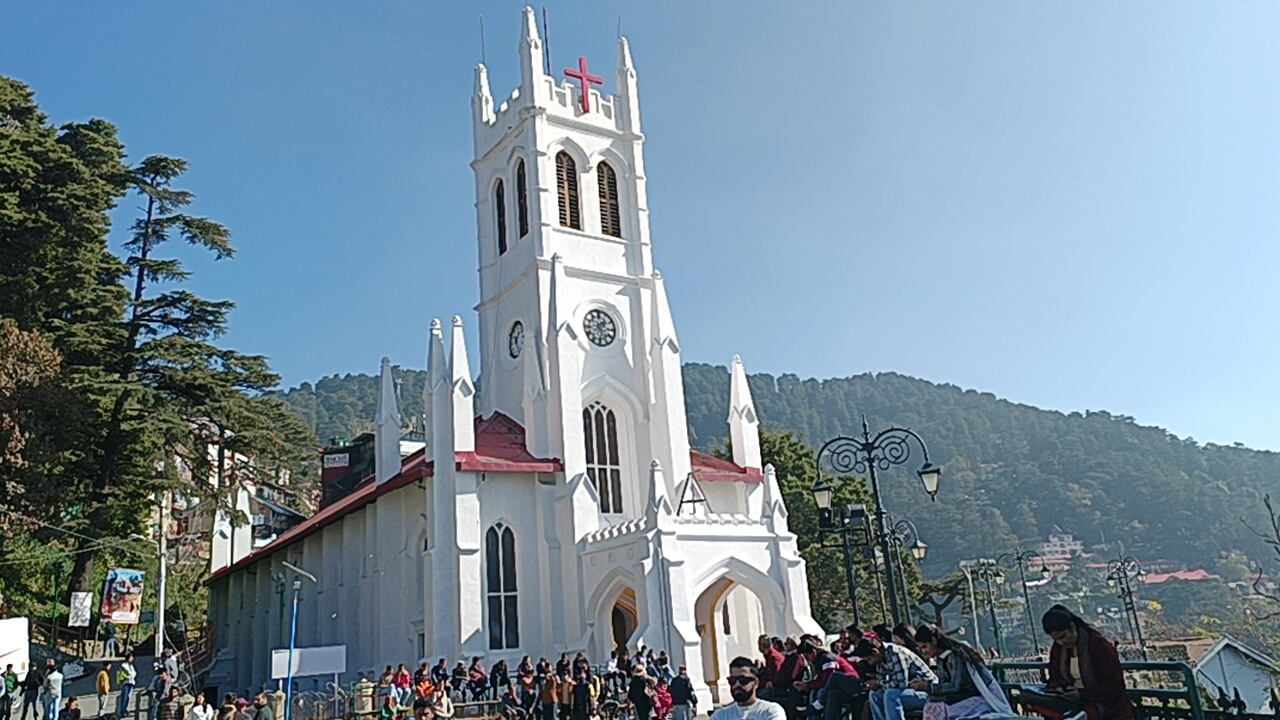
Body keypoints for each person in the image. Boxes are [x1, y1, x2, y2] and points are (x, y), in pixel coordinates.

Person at [1041, 605, 1134, 720]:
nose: (1061, 642)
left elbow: (1115, 684)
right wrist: (1059, 688)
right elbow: (1054, 677)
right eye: (1056, 639)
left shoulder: (1099, 645)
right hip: (1073, 703)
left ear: (1072, 627)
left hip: (1106, 706)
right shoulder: (1058, 649)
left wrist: (1083, 694)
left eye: (1063, 637)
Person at [910, 625, 1011, 720]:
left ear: (934, 641)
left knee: (937, 708)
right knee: (932, 705)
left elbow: (954, 686)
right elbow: (943, 684)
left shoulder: (956, 655)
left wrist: (927, 686)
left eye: (924, 647)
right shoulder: (941, 658)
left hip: (977, 697)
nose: (924, 652)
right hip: (961, 697)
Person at [863, 636, 937, 720]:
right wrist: (875, 685)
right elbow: (882, 681)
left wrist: (878, 683)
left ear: (875, 652)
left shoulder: (896, 653)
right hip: (909, 691)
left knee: (891, 695)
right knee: (874, 694)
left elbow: (902, 684)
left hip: (927, 692)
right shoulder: (880, 659)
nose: (870, 662)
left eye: (869, 659)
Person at [709, 657, 787, 720]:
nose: (737, 685)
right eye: (733, 681)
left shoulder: (771, 711)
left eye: (743, 680)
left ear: (756, 683)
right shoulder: (720, 715)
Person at [117, 654, 137, 719]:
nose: (132, 659)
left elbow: (134, 674)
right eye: (131, 658)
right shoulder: (123, 665)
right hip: (125, 683)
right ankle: (122, 711)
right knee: (124, 697)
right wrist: (131, 674)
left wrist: (131, 674)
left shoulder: (131, 666)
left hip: (131, 683)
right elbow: (130, 673)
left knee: (128, 697)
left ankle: (125, 710)